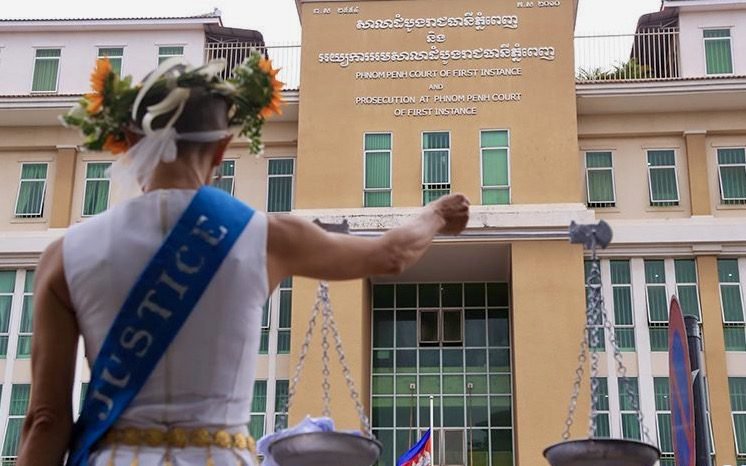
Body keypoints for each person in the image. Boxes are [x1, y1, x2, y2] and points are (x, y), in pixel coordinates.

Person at [17, 55, 469, 466]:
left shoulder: (64, 254)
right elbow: (389, 255)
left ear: (130, 140)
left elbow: (45, 419)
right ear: (221, 148)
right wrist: (436, 215)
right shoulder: (265, 236)